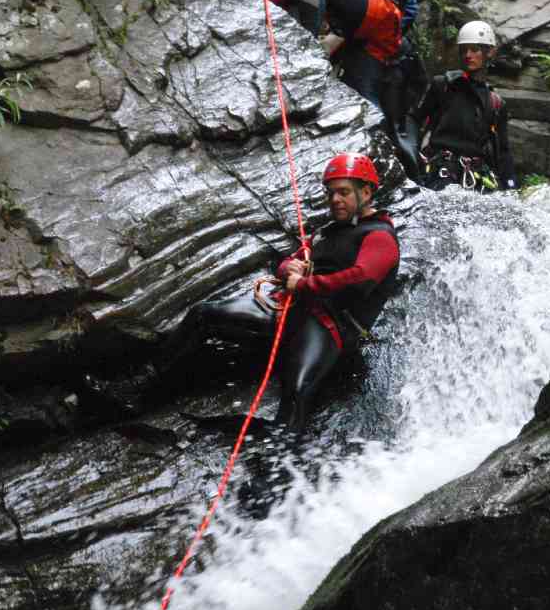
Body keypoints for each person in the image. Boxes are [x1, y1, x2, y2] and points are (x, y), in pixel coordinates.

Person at [161, 153, 400, 434]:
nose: (335, 200)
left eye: (344, 192)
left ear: (366, 192)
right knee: (203, 314)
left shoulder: (379, 237)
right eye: (331, 193)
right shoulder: (328, 232)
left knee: (296, 395)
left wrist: (302, 284)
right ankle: (157, 382)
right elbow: (286, 262)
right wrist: (290, 268)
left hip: (329, 327)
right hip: (291, 309)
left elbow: (360, 278)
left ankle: (281, 464)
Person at [411, 20, 519, 191]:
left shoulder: (496, 103)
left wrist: (511, 186)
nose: (468, 55)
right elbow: (415, 120)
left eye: (474, 49)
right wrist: (411, 156)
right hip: (439, 171)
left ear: (490, 52)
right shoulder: (443, 85)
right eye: (463, 50)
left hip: (474, 178)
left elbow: (503, 152)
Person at [268, 0, 413, 107]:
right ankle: (375, 132)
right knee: (359, 92)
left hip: (380, 6)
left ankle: (305, 48)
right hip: (383, 26)